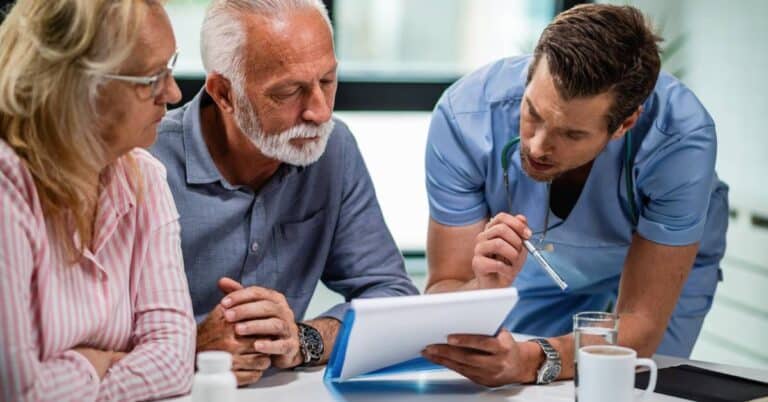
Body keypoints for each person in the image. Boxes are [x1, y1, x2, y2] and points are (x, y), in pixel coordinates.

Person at [421, 4, 728, 387]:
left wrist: (533, 361)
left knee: (636, 382)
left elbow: (640, 325)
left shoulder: (680, 141)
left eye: (571, 134)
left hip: (659, 261)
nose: (536, 146)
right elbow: (445, 290)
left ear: (625, 123)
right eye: (532, 113)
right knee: (504, 376)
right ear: (530, 73)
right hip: (545, 264)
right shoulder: (463, 118)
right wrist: (482, 289)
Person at [150, 0, 418, 386]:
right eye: (289, 92)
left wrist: (302, 339)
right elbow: (84, 335)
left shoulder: (332, 148)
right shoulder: (144, 161)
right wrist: (189, 349)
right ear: (224, 93)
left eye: (327, 81)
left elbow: (392, 297)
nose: (320, 112)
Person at [0, 0, 196, 401]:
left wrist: (76, 377)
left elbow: (175, 359)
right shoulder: (7, 187)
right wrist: (93, 364)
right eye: (151, 79)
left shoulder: (144, 176)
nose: (173, 93)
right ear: (77, 86)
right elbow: (19, 394)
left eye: (171, 67)